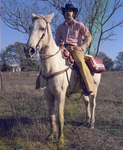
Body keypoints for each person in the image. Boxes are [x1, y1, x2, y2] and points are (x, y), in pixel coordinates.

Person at [55, 3, 95, 96]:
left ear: (73, 13)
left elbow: (88, 36)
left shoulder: (79, 25)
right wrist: (59, 44)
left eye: (70, 11)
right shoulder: (60, 27)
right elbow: (57, 40)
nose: (68, 13)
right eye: (66, 11)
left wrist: (82, 47)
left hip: (76, 49)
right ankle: (46, 83)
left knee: (81, 62)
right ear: (64, 13)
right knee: (51, 61)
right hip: (64, 49)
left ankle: (88, 87)